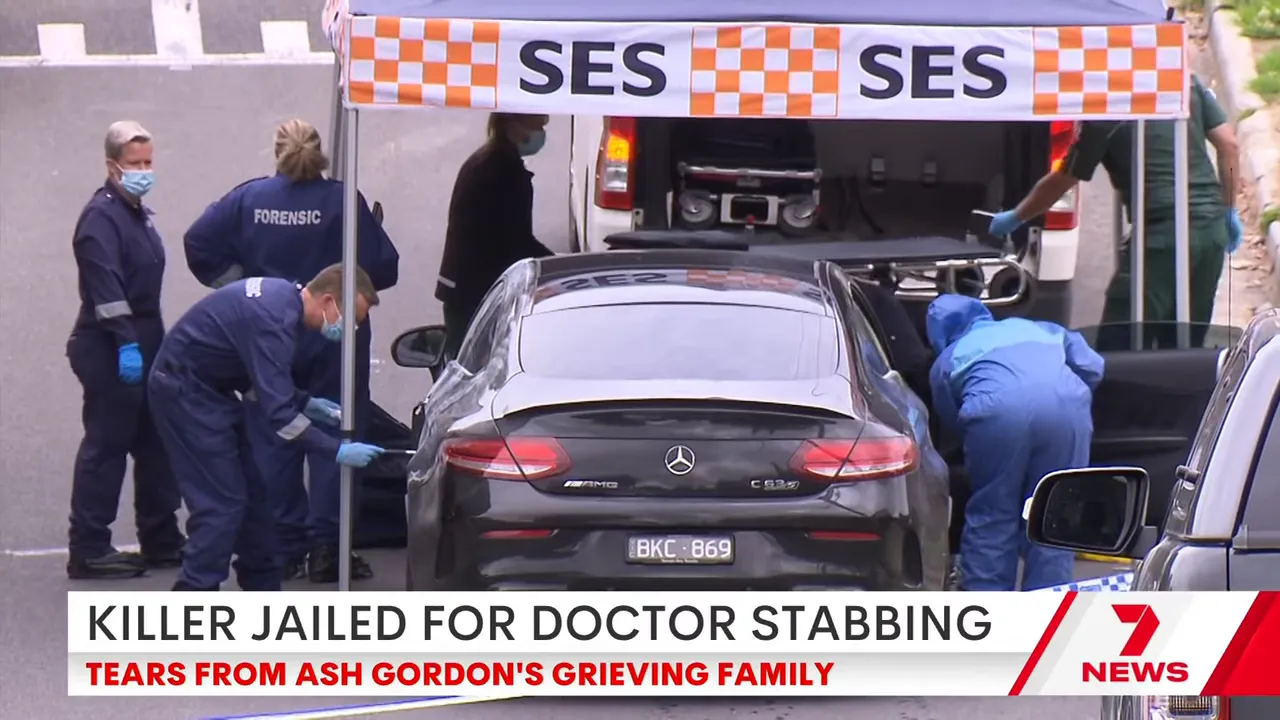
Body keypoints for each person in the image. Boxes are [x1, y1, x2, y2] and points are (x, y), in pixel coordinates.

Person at [183, 119, 400, 583]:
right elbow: (384, 268)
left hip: (267, 329)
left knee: (273, 429)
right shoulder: (342, 201)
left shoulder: (249, 198)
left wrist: (238, 284)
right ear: (320, 154)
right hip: (334, 333)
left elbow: (197, 242)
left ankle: (282, 543)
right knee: (339, 431)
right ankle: (328, 546)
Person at [148, 265, 386, 592]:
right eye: (353, 318)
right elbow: (281, 419)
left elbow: (265, 384)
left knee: (256, 500)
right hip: (185, 394)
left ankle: (265, 594)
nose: (353, 329)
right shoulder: (274, 322)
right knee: (222, 504)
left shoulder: (282, 304)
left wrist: (304, 401)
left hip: (210, 391)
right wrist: (337, 450)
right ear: (329, 301)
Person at [989, 74, 1240, 345]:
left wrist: (1016, 216)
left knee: (1118, 343)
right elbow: (1229, 144)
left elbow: (1063, 180)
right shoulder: (1182, 80)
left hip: (1162, 240)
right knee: (1184, 342)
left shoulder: (1109, 110)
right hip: (1212, 232)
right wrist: (1228, 210)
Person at [65, 120, 184, 580]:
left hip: (144, 340)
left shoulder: (132, 211)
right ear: (112, 166)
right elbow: (108, 292)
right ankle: (88, 547)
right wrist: (128, 349)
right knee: (107, 445)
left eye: (148, 162)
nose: (143, 170)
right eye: (134, 164)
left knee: (155, 443)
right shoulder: (101, 219)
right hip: (111, 344)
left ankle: (160, 537)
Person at [925, 294, 1105, 591]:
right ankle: (1048, 608)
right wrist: (1063, 393)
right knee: (1056, 513)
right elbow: (1093, 367)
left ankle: (988, 609)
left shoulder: (948, 359)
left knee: (994, 512)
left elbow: (952, 418)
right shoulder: (1042, 329)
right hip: (1066, 410)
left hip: (997, 417)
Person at [437, 112, 555, 358]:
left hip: (467, 291)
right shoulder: (503, 173)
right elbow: (516, 242)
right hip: (479, 296)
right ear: (514, 127)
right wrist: (555, 269)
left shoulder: (487, 162)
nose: (542, 134)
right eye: (538, 126)